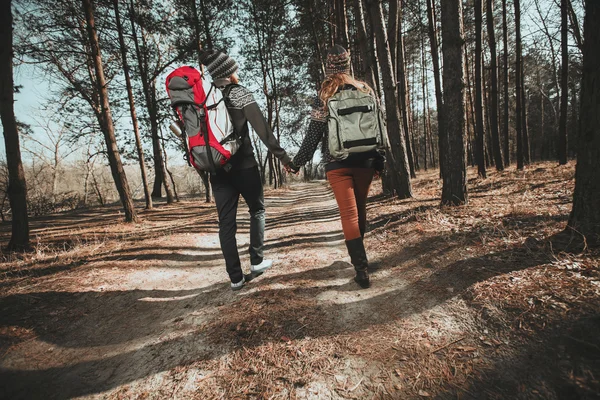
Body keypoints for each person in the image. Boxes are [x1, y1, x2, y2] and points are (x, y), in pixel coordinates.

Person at [199, 49, 298, 291]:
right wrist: (283, 157)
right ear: (228, 71)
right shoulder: (239, 93)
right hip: (244, 165)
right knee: (257, 210)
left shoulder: (204, 98)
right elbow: (262, 129)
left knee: (226, 224)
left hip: (218, 170)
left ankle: (235, 278)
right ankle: (256, 261)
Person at [291, 45, 384, 289]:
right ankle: (360, 261)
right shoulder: (365, 90)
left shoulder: (324, 95)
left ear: (328, 66)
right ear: (347, 63)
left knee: (349, 214)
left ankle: (361, 268)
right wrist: (379, 160)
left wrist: (297, 162)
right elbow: (378, 127)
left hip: (337, 163)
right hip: (365, 160)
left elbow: (313, 135)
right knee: (360, 210)